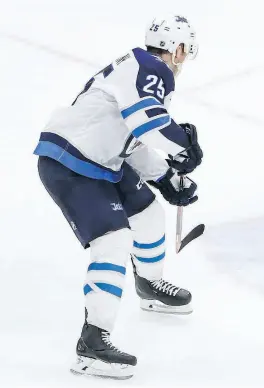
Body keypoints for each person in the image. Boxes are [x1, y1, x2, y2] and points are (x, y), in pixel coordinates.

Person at [33, 15, 202, 379]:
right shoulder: (153, 68)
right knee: (113, 242)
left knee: (148, 215)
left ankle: (149, 285)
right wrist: (183, 148)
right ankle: (92, 345)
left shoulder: (137, 68)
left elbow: (131, 138)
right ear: (178, 49)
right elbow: (147, 122)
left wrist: (167, 176)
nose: (184, 59)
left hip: (100, 160)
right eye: (185, 51)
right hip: (71, 164)